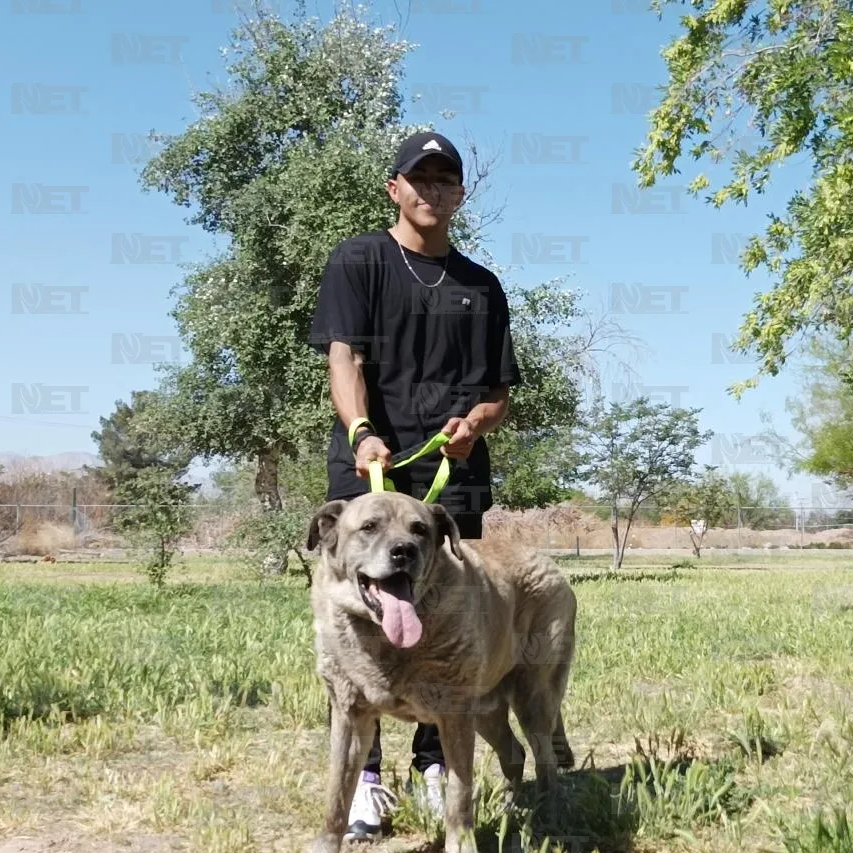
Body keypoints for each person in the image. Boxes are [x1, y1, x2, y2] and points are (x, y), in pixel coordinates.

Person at [307, 130, 522, 841]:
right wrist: (361, 427)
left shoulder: (482, 286)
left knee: (448, 637)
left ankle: (434, 764)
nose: (432, 190)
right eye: (418, 178)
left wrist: (477, 426)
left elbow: (500, 394)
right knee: (358, 646)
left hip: (447, 487)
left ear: (460, 194)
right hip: (370, 474)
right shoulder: (360, 260)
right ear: (394, 187)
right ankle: (365, 780)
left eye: (445, 179)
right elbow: (345, 357)